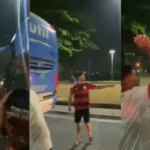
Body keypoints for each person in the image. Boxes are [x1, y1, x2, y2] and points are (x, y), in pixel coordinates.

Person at [120, 34, 150, 150]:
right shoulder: (134, 96)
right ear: (126, 79)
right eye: (133, 74)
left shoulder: (123, 99)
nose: (136, 77)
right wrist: (148, 47)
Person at [68, 72, 114, 145]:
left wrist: (108, 85)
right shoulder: (74, 86)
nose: (84, 76)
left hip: (85, 107)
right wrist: (69, 106)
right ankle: (79, 139)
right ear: (79, 76)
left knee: (87, 122)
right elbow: (70, 96)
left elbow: (97, 87)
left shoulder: (87, 84)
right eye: (83, 75)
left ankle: (90, 136)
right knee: (78, 124)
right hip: (78, 108)